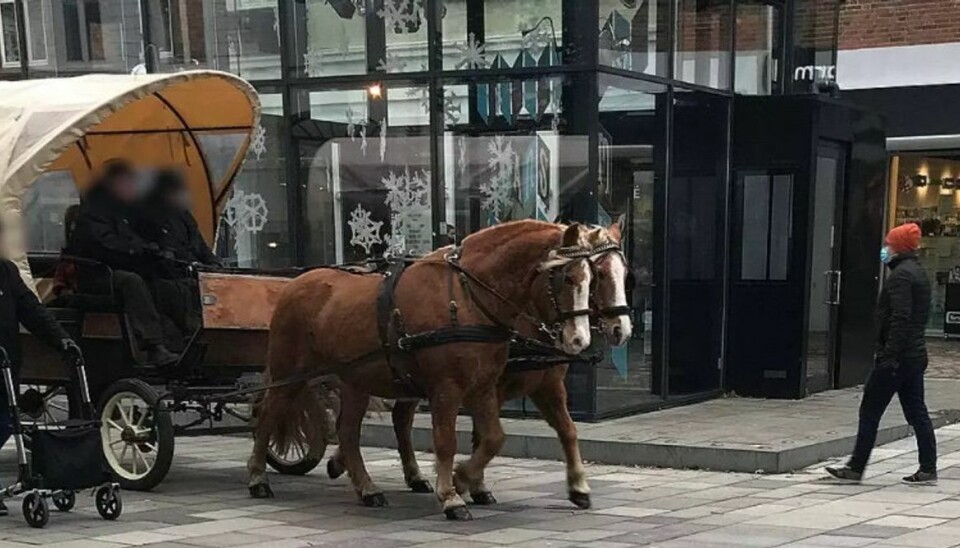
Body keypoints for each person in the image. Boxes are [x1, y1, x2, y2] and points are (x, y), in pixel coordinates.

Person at [827, 223, 936, 485]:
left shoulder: (900, 277)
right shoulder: (917, 272)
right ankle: (928, 467)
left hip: (897, 357)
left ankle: (856, 466)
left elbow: (900, 317)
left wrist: (889, 355)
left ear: (898, 247)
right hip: (914, 355)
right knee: (917, 411)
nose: (885, 249)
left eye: (889, 244)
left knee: (870, 410)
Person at [0, 221, 82, 516]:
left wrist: (62, 340)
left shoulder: (7, 272)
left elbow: (33, 311)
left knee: (6, 421)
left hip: (6, 364)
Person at [66, 161, 179, 367]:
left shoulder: (127, 212)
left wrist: (156, 246)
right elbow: (106, 245)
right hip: (96, 275)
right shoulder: (94, 212)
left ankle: (186, 338)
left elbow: (144, 235)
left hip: (120, 269)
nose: (132, 187)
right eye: (127, 183)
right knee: (132, 282)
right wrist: (138, 249)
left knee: (167, 285)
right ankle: (153, 346)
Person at [137, 170, 217, 341]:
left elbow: (201, 247)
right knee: (182, 290)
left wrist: (215, 265)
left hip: (193, 273)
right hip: (166, 276)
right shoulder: (147, 219)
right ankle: (193, 336)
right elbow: (154, 252)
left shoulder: (184, 216)